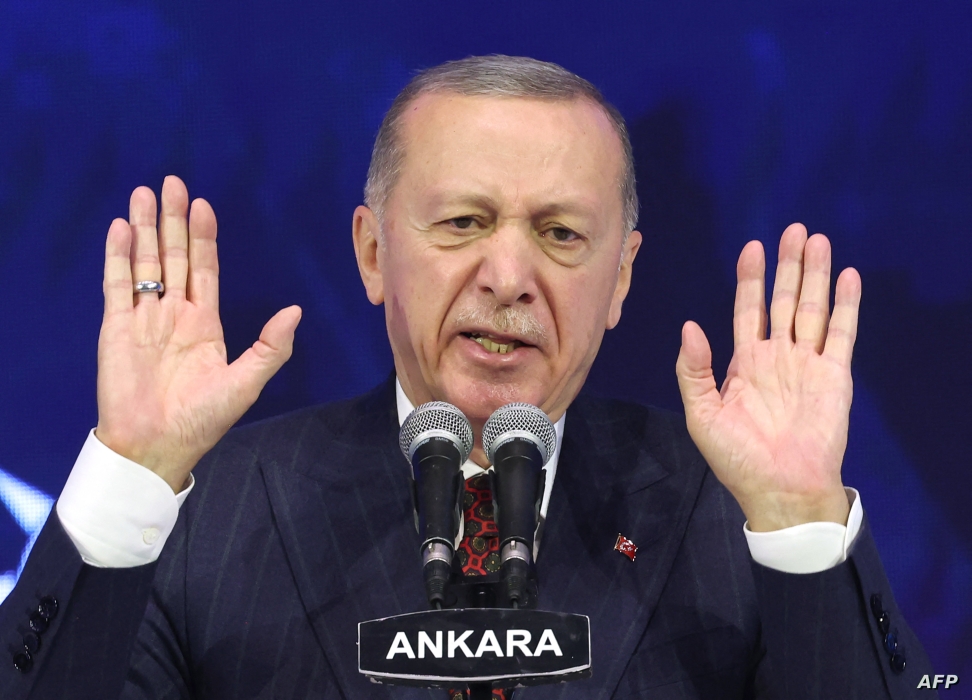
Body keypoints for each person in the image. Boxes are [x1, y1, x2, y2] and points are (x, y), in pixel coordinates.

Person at [0, 56, 934, 699]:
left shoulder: (735, 519)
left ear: (621, 280)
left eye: (560, 233)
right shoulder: (206, 511)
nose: (508, 276)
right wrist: (130, 472)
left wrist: (801, 520)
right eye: (462, 223)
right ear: (372, 253)